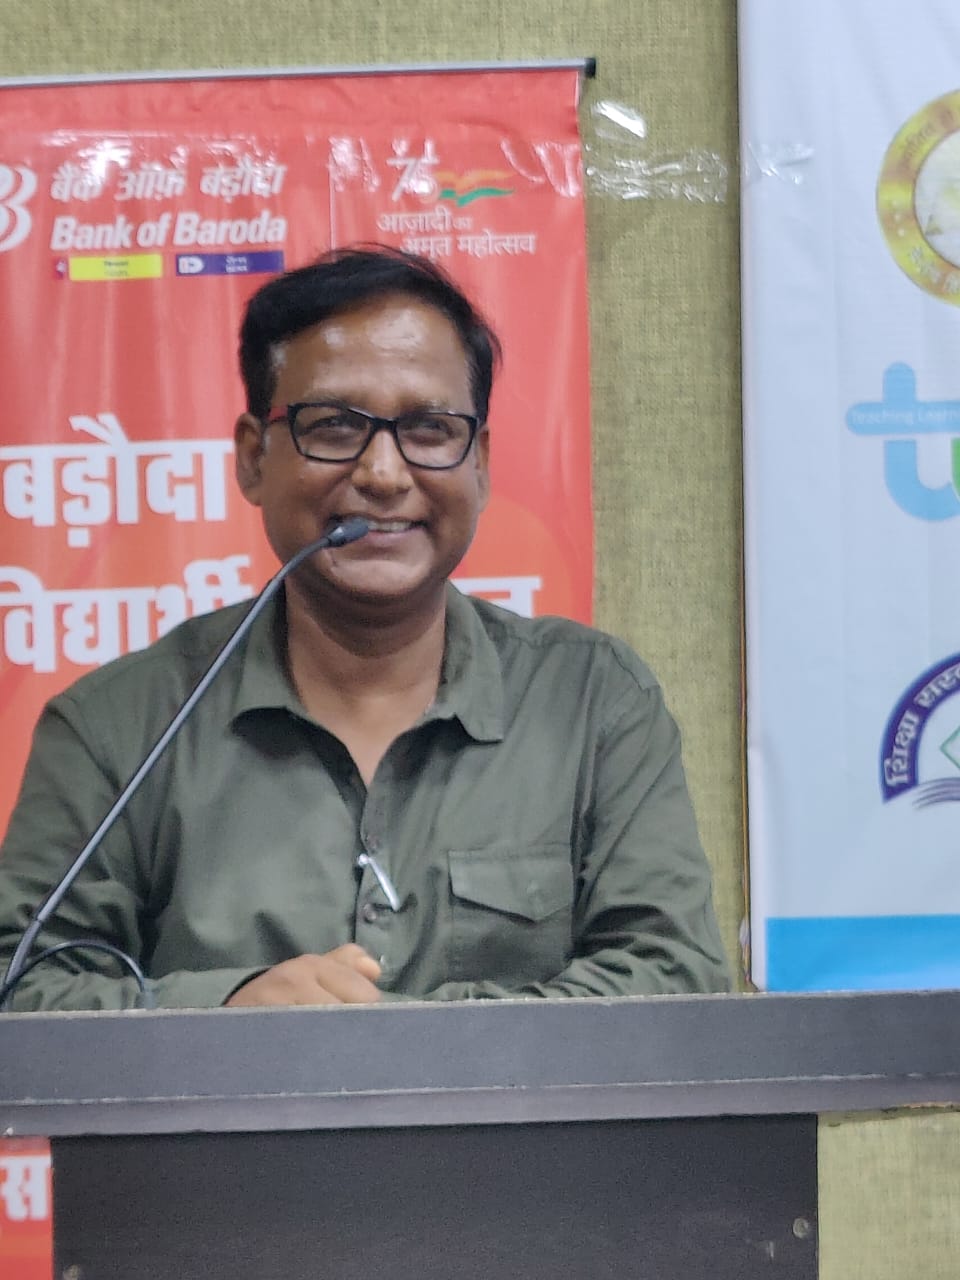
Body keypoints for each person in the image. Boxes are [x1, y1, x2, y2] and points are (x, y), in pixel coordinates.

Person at [0, 245, 729, 1010]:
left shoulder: (592, 704)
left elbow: (674, 977)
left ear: (479, 464)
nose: (384, 473)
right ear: (253, 459)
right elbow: (20, 992)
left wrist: (390, 1039)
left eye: (430, 428)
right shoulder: (117, 727)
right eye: (335, 426)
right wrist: (226, 1012)